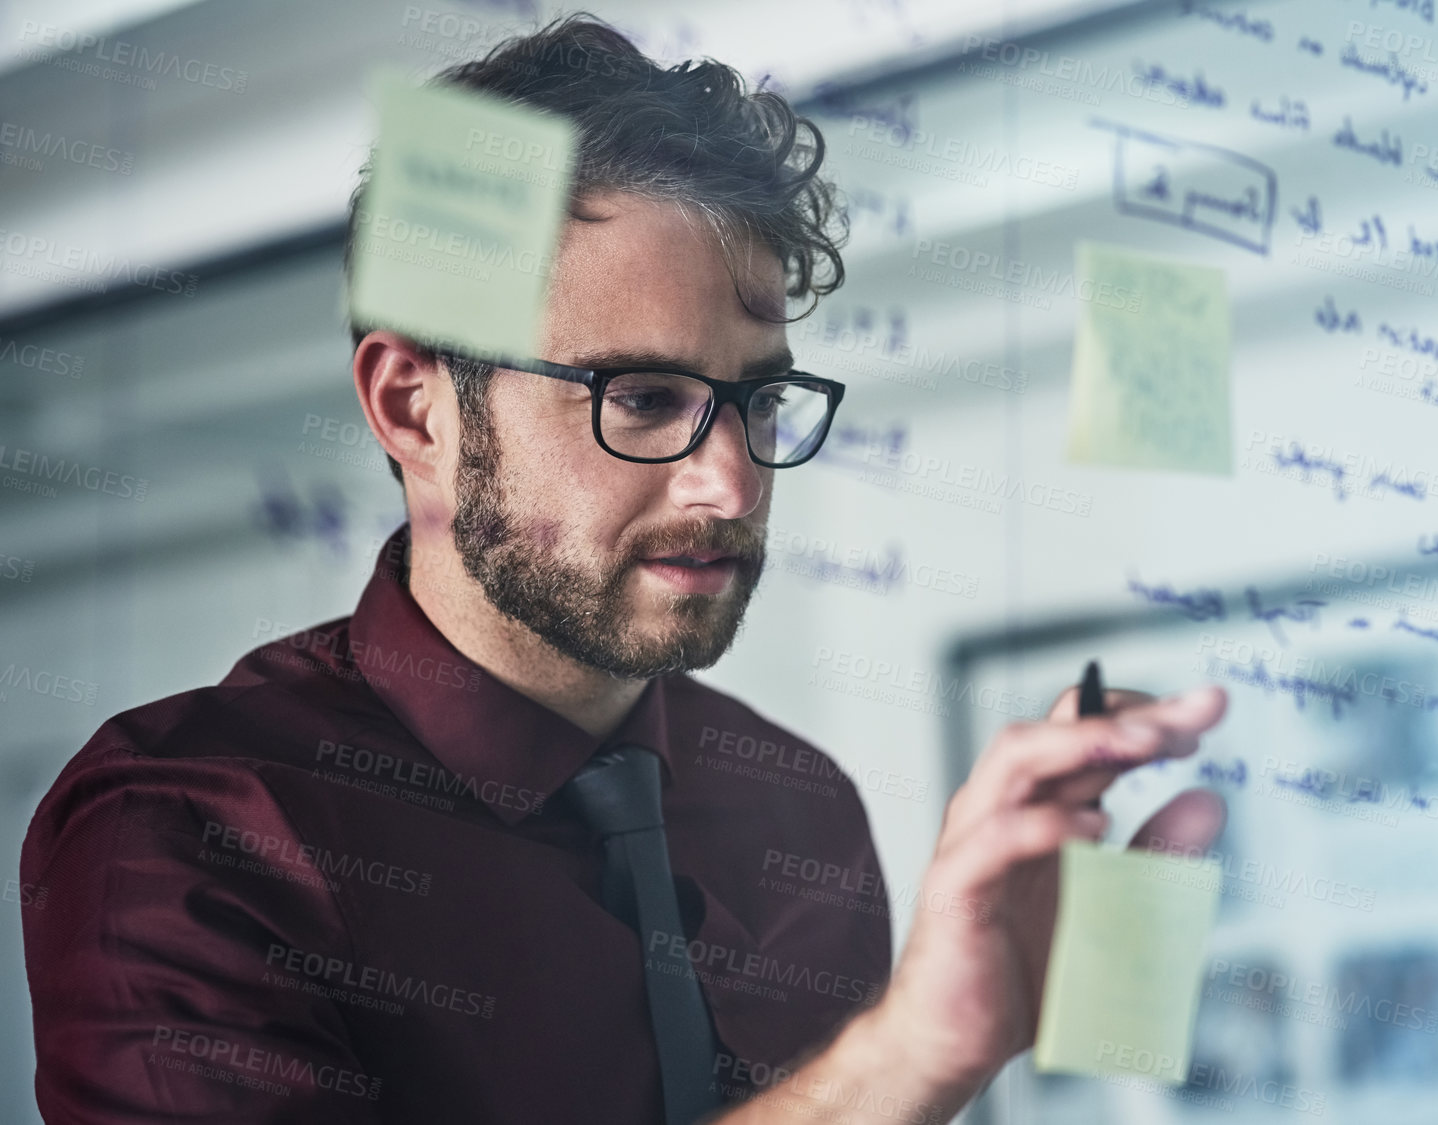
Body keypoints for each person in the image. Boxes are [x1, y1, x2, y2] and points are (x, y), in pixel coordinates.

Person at [19, 14, 1227, 1123]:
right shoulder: (188, 825)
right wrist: (900, 1062)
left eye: (758, 401)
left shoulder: (795, 811)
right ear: (416, 409)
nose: (733, 485)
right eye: (642, 398)